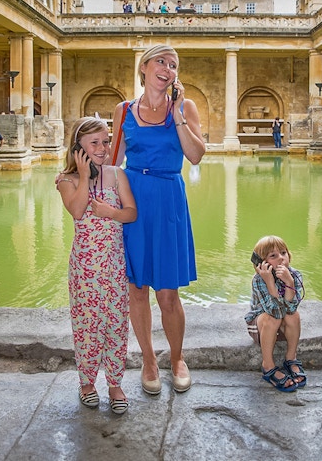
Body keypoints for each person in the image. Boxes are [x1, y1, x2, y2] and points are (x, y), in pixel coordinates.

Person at [110, 44, 205, 395]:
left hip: (167, 200)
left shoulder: (185, 107)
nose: (167, 68)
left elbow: (195, 156)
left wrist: (178, 113)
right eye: (161, 61)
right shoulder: (123, 110)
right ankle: (149, 361)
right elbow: (112, 160)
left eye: (174, 64)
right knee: (137, 291)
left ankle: (177, 358)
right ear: (144, 67)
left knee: (167, 294)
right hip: (133, 200)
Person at [57, 117, 137, 414]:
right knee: (87, 325)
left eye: (106, 141)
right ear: (78, 148)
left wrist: (110, 212)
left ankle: (115, 383)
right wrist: (81, 173)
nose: (103, 148)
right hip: (85, 267)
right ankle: (87, 382)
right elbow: (77, 211)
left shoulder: (117, 175)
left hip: (114, 264)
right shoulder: (67, 181)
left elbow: (131, 213)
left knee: (116, 324)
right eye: (95, 143)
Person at [244, 235, 306, 392]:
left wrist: (289, 283)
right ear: (262, 263)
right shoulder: (259, 280)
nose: (281, 259)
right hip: (261, 326)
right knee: (272, 318)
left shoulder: (295, 275)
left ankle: (291, 357)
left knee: (294, 315)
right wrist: (270, 283)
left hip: (283, 325)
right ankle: (268, 365)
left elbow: (291, 309)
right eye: (273, 256)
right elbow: (274, 312)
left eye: (283, 253)